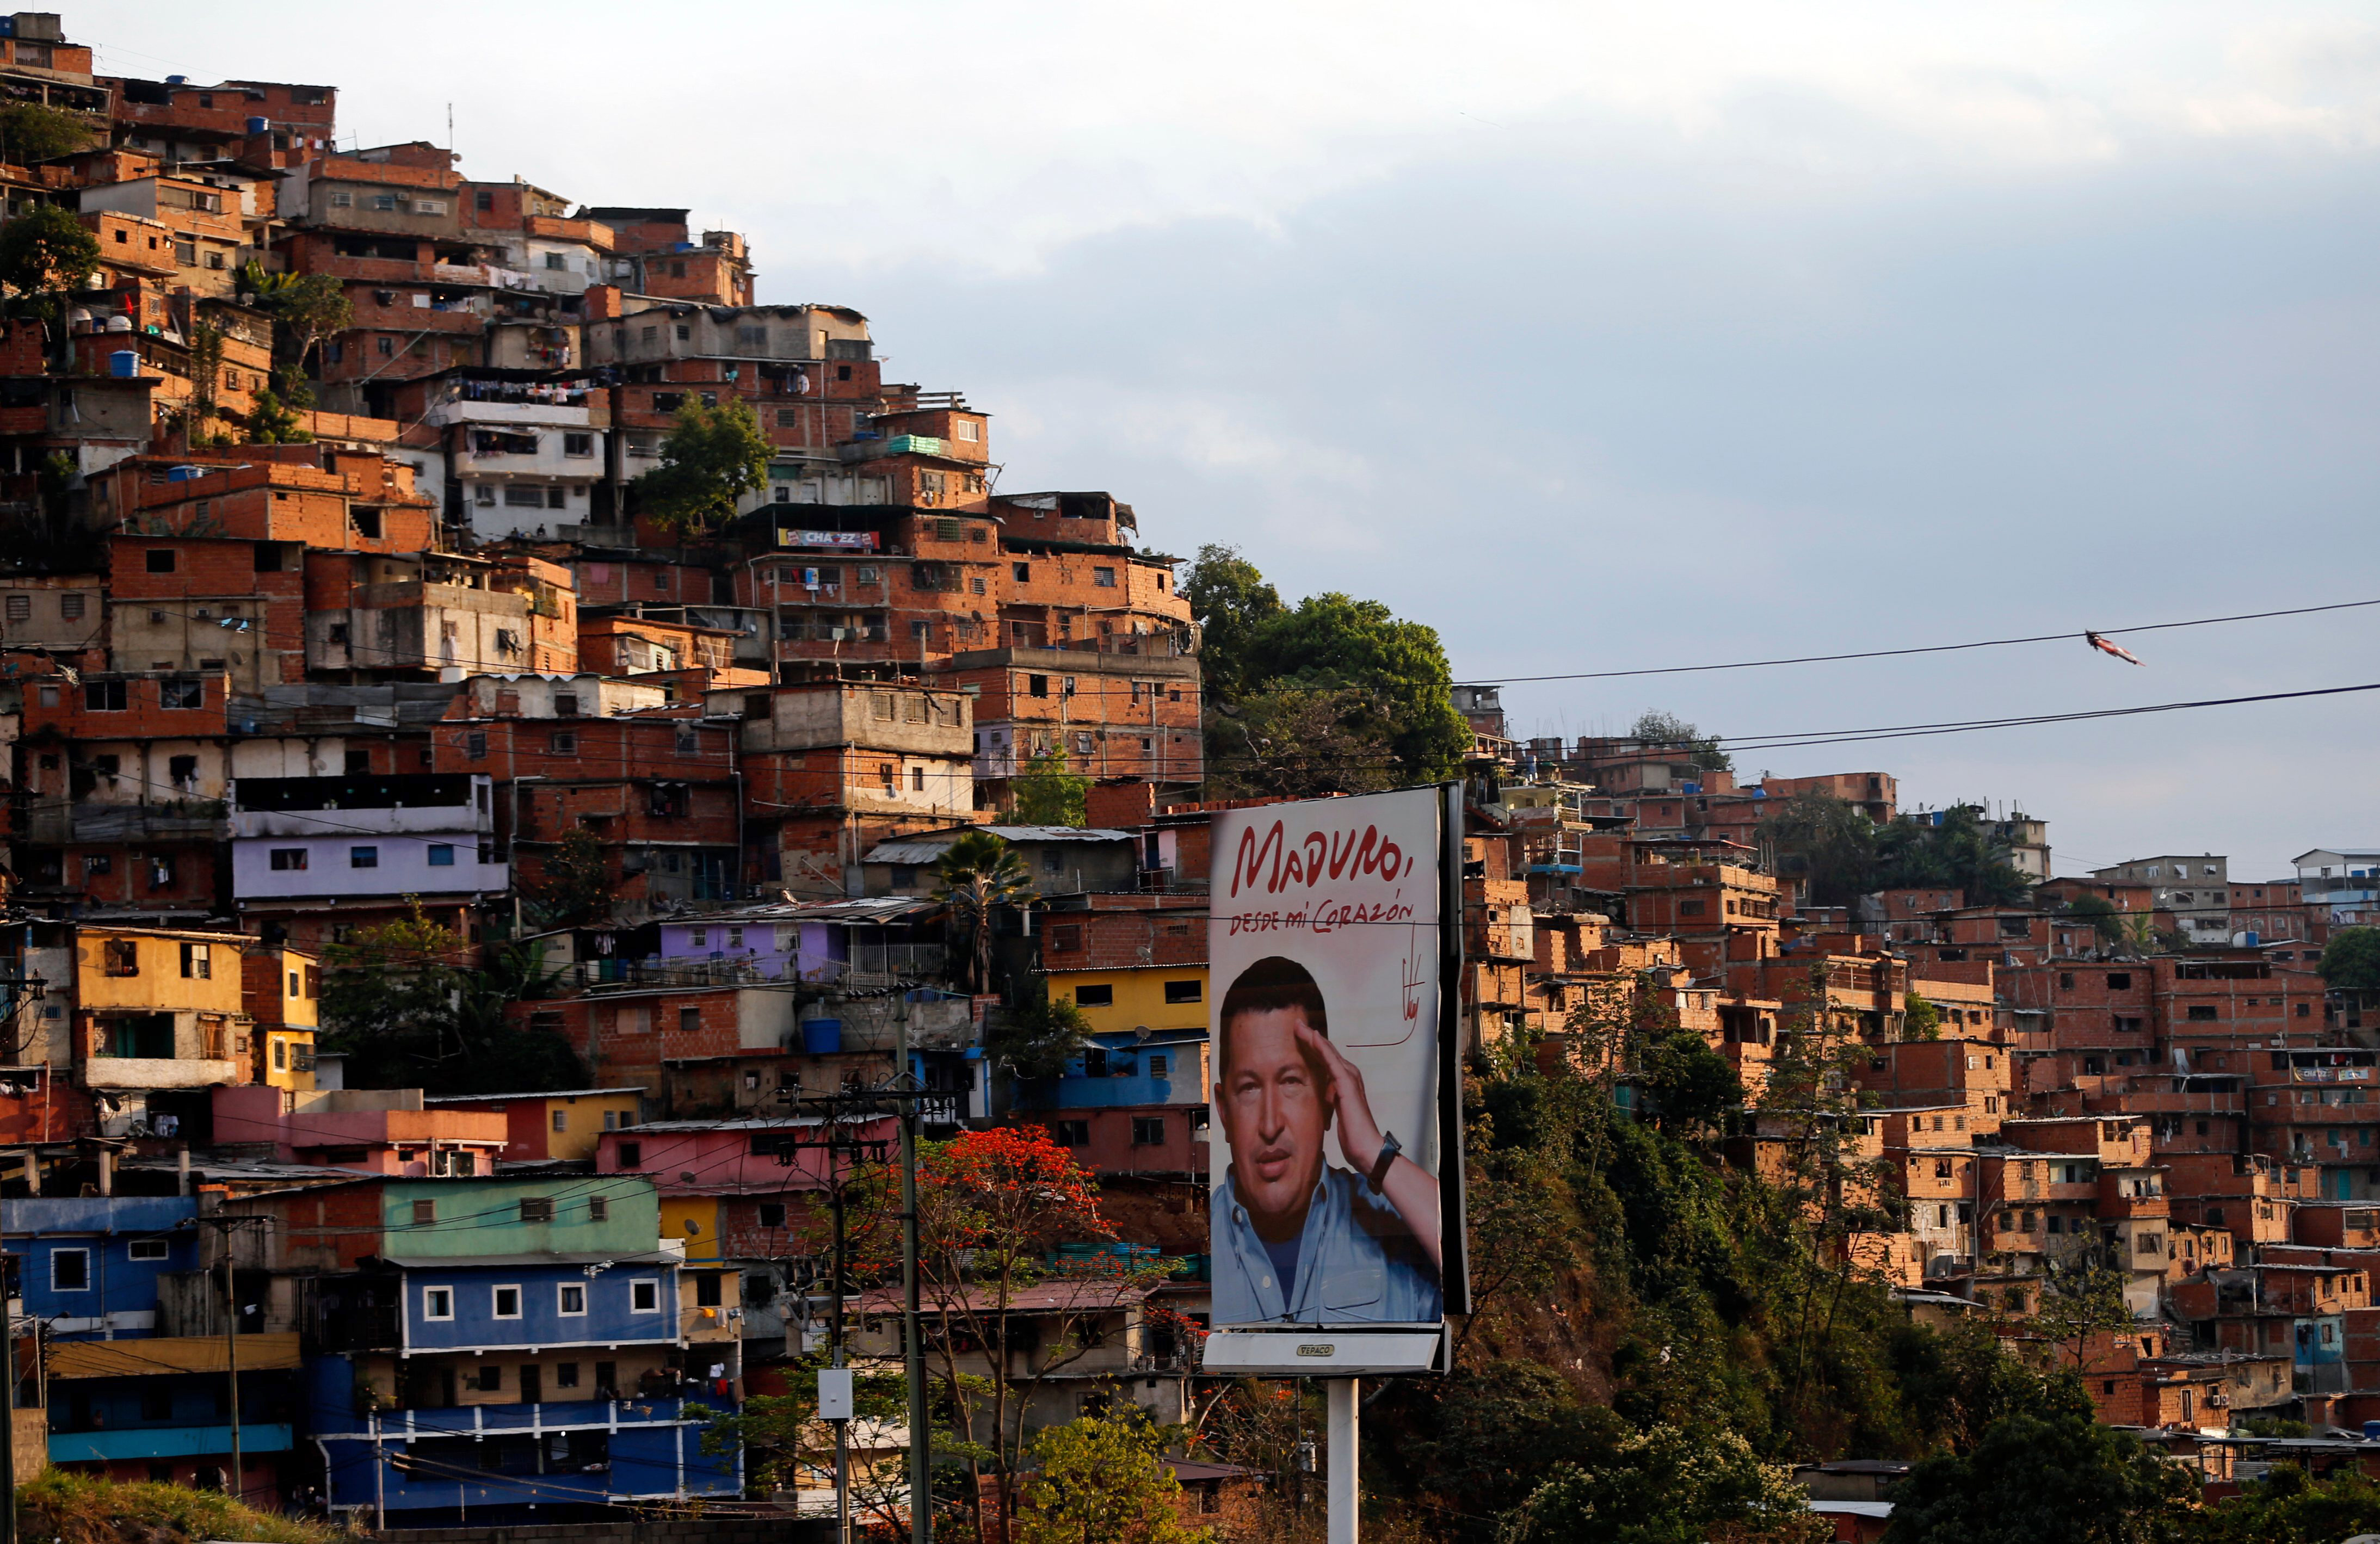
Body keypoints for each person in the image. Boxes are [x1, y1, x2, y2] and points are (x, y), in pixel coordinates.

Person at [1211, 955, 1441, 1325]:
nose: (1270, 1125)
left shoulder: (1396, 1227)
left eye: (1291, 1083)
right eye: (1250, 1088)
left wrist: (1372, 1154)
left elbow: (1477, 1274)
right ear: (1224, 1110)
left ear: (1328, 1098)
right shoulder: (1199, 1243)